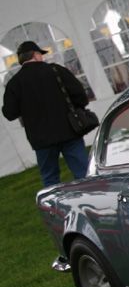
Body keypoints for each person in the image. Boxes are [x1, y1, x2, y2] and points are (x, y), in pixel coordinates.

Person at [2, 41, 91, 187]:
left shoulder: (14, 83)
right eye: (40, 54)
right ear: (35, 55)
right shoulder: (56, 70)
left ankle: (53, 202)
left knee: (50, 180)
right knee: (84, 173)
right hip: (69, 130)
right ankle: (92, 198)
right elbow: (81, 96)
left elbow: (9, 113)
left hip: (41, 139)